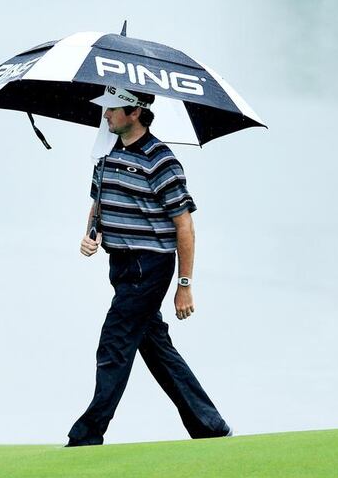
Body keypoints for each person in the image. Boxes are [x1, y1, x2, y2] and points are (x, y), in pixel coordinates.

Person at [65, 86, 232, 447]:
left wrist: (184, 284)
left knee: (114, 343)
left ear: (135, 113)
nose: (105, 115)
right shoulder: (106, 155)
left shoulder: (161, 160)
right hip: (121, 267)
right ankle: (210, 426)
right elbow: (99, 201)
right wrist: (90, 234)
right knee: (156, 349)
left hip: (149, 266)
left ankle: (88, 433)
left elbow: (184, 225)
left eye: (112, 110)